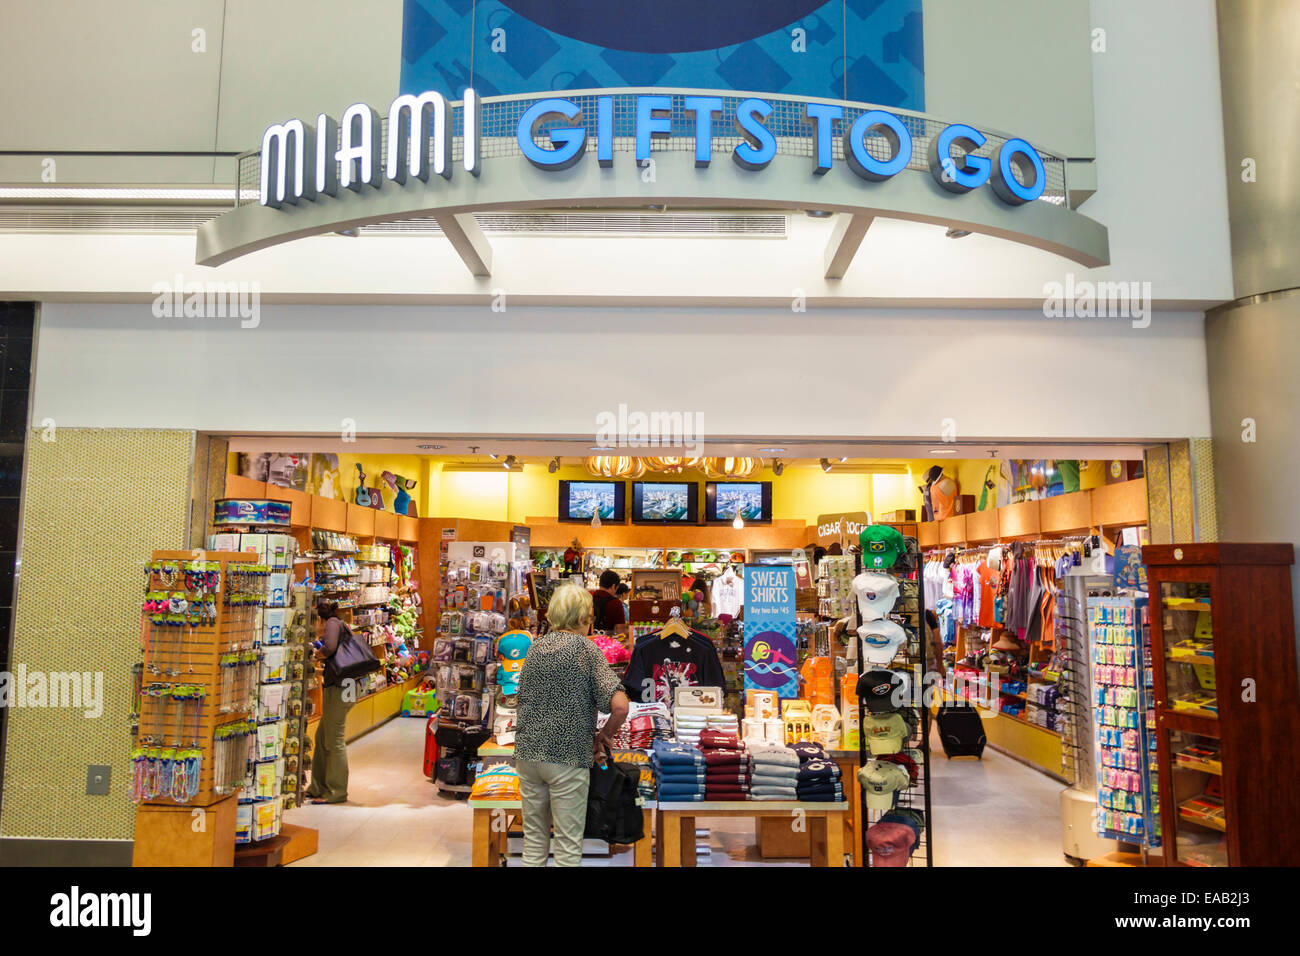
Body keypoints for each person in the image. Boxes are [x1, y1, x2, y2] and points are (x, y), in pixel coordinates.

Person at [514, 583, 630, 867]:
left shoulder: (534, 649)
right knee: (567, 847)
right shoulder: (586, 651)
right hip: (567, 756)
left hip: (528, 754)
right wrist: (605, 735)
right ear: (584, 617)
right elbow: (620, 706)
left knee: (533, 843)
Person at [306, 600, 356, 804]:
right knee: (322, 737)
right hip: (343, 685)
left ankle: (336, 792)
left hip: (340, 689)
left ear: (319, 618)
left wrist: (315, 656)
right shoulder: (339, 623)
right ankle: (318, 786)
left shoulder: (332, 624)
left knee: (334, 740)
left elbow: (330, 647)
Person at [589, 569, 628, 637]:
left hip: (589, 640)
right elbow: (620, 631)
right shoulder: (616, 603)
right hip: (607, 643)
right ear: (613, 586)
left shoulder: (589, 597)